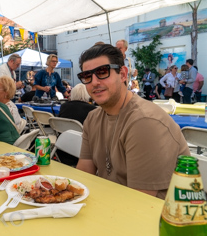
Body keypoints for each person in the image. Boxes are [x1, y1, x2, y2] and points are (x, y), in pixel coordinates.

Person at [75, 44, 189, 200]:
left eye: (102, 72)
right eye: (87, 76)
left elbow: (139, 202)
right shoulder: (93, 118)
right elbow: (83, 176)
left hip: (158, 218)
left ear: (122, 74)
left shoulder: (145, 122)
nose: (94, 82)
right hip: (113, 204)